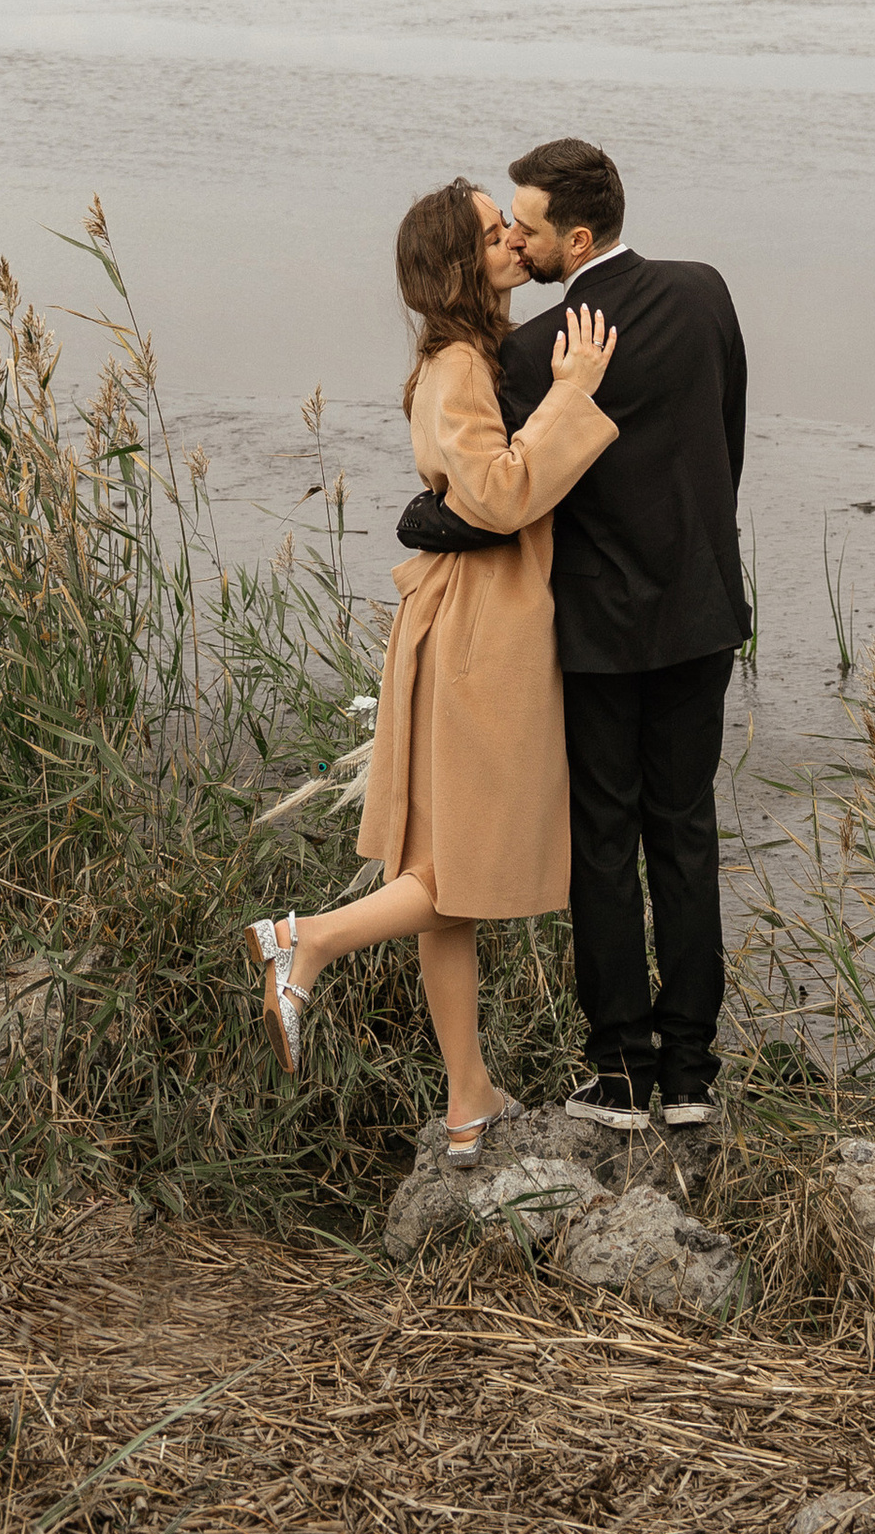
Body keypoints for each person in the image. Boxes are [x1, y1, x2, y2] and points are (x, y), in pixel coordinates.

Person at [251, 179, 618, 1162]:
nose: (513, 240)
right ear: (463, 261)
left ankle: (468, 1099)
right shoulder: (459, 364)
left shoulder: (468, 357)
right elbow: (498, 497)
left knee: (432, 874)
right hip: (480, 632)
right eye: (496, 231)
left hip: (462, 619)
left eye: (512, 225)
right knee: (462, 874)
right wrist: (574, 395)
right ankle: (310, 940)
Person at [496, 137, 748, 1132]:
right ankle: (690, 1079)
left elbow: (526, 493)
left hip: (598, 626)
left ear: (579, 236)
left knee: (604, 842)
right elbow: (725, 445)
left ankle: (621, 1076)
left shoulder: (529, 352)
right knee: (684, 833)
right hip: (698, 607)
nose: (515, 240)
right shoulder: (703, 293)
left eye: (527, 226)